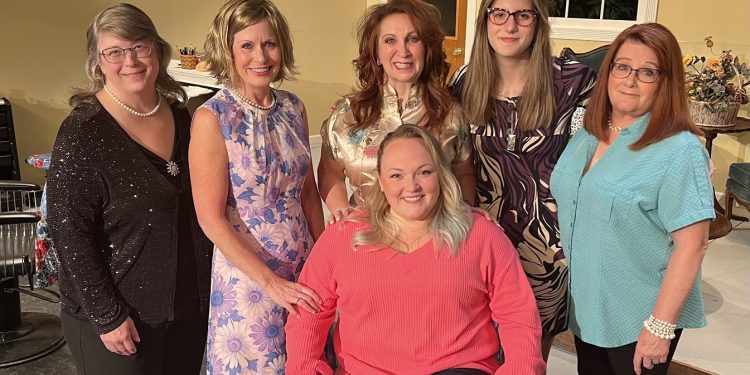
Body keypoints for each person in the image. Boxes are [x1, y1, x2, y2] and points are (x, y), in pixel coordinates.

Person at [286, 124, 545, 375]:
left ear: (442, 175)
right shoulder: (342, 237)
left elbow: (518, 315)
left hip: (456, 368)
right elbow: (309, 311)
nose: (412, 187)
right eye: (396, 175)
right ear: (381, 181)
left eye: (424, 172)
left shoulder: (481, 234)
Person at [47, 4, 212, 374]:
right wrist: (107, 315)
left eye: (140, 46)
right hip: (120, 321)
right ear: (98, 62)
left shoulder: (188, 120)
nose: (130, 60)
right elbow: (69, 235)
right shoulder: (83, 134)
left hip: (190, 309)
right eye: (115, 52)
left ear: (157, 50)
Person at [550, 23, 714, 375]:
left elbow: (693, 246)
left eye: (647, 72)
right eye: (622, 67)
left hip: (641, 314)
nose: (629, 80)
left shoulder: (679, 150)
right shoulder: (588, 133)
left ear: (666, 82)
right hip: (590, 306)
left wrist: (659, 326)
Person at [448, 0, 597, 359]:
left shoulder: (572, 80)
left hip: (548, 241)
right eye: (499, 14)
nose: (509, 25)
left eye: (523, 15)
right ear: (486, 20)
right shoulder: (464, 83)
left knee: (531, 349)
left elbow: (619, 127)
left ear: (538, 22)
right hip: (479, 234)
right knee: (475, 340)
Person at [189, 0, 325, 373]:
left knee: (304, 362)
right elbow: (210, 218)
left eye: (270, 44)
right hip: (248, 278)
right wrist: (270, 282)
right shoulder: (211, 117)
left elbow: (309, 193)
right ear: (228, 51)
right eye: (247, 46)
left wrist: (323, 260)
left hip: (302, 267)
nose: (260, 56)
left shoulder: (294, 107)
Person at [318, 0, 474, 219]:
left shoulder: (452, 114)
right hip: (365, 238)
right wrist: (341, 212)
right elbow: (330, 172)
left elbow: (464, 173)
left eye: (413, 39)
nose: (403, 51)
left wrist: (466, 217)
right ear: (376, 54)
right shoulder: (347, 113)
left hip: (433, 240)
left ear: (426, 50)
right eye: (390, 40)